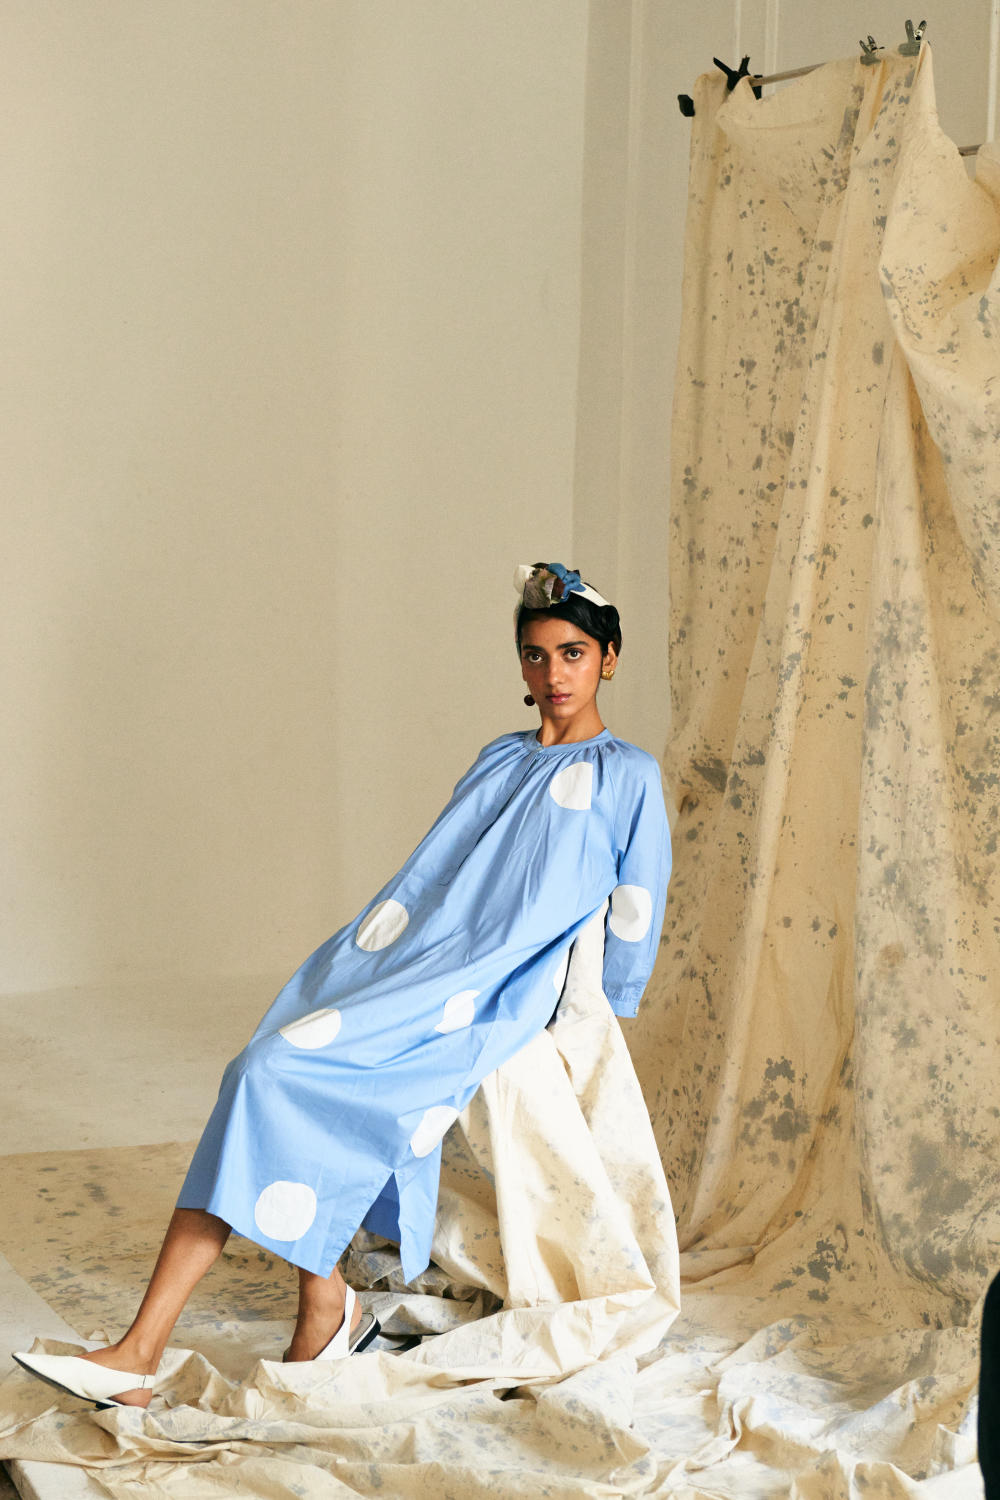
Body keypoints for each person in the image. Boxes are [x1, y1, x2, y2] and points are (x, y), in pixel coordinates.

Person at [14, 562, 671, 1410]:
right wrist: (373, 962)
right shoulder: (498, 758)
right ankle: (246, 1323)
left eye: (573, 654)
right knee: (262, 1069)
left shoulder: (629, 774)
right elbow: (432, 879)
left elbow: (635, 906)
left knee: (270, 1078)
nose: (554, 675)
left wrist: (596, 1021)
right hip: (411, 967)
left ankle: (182, 1343)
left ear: (609, 659)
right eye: (536, 655)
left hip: (491, 996)